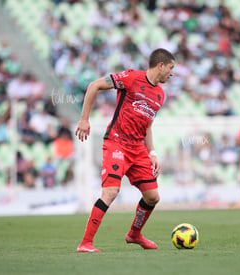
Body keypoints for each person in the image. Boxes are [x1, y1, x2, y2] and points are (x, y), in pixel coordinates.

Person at [75, 48, 175, 252]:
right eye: (171, 68)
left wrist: (152, 153)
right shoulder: (131, 77)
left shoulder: (160, 94)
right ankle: (85, 243)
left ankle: (134, 234)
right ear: (161, 65)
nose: (172, 73)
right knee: (111, 191)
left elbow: (147, 126)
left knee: (153, 197)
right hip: (117, 143)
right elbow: (94, 85)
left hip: (138, 149)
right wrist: (84, 119)